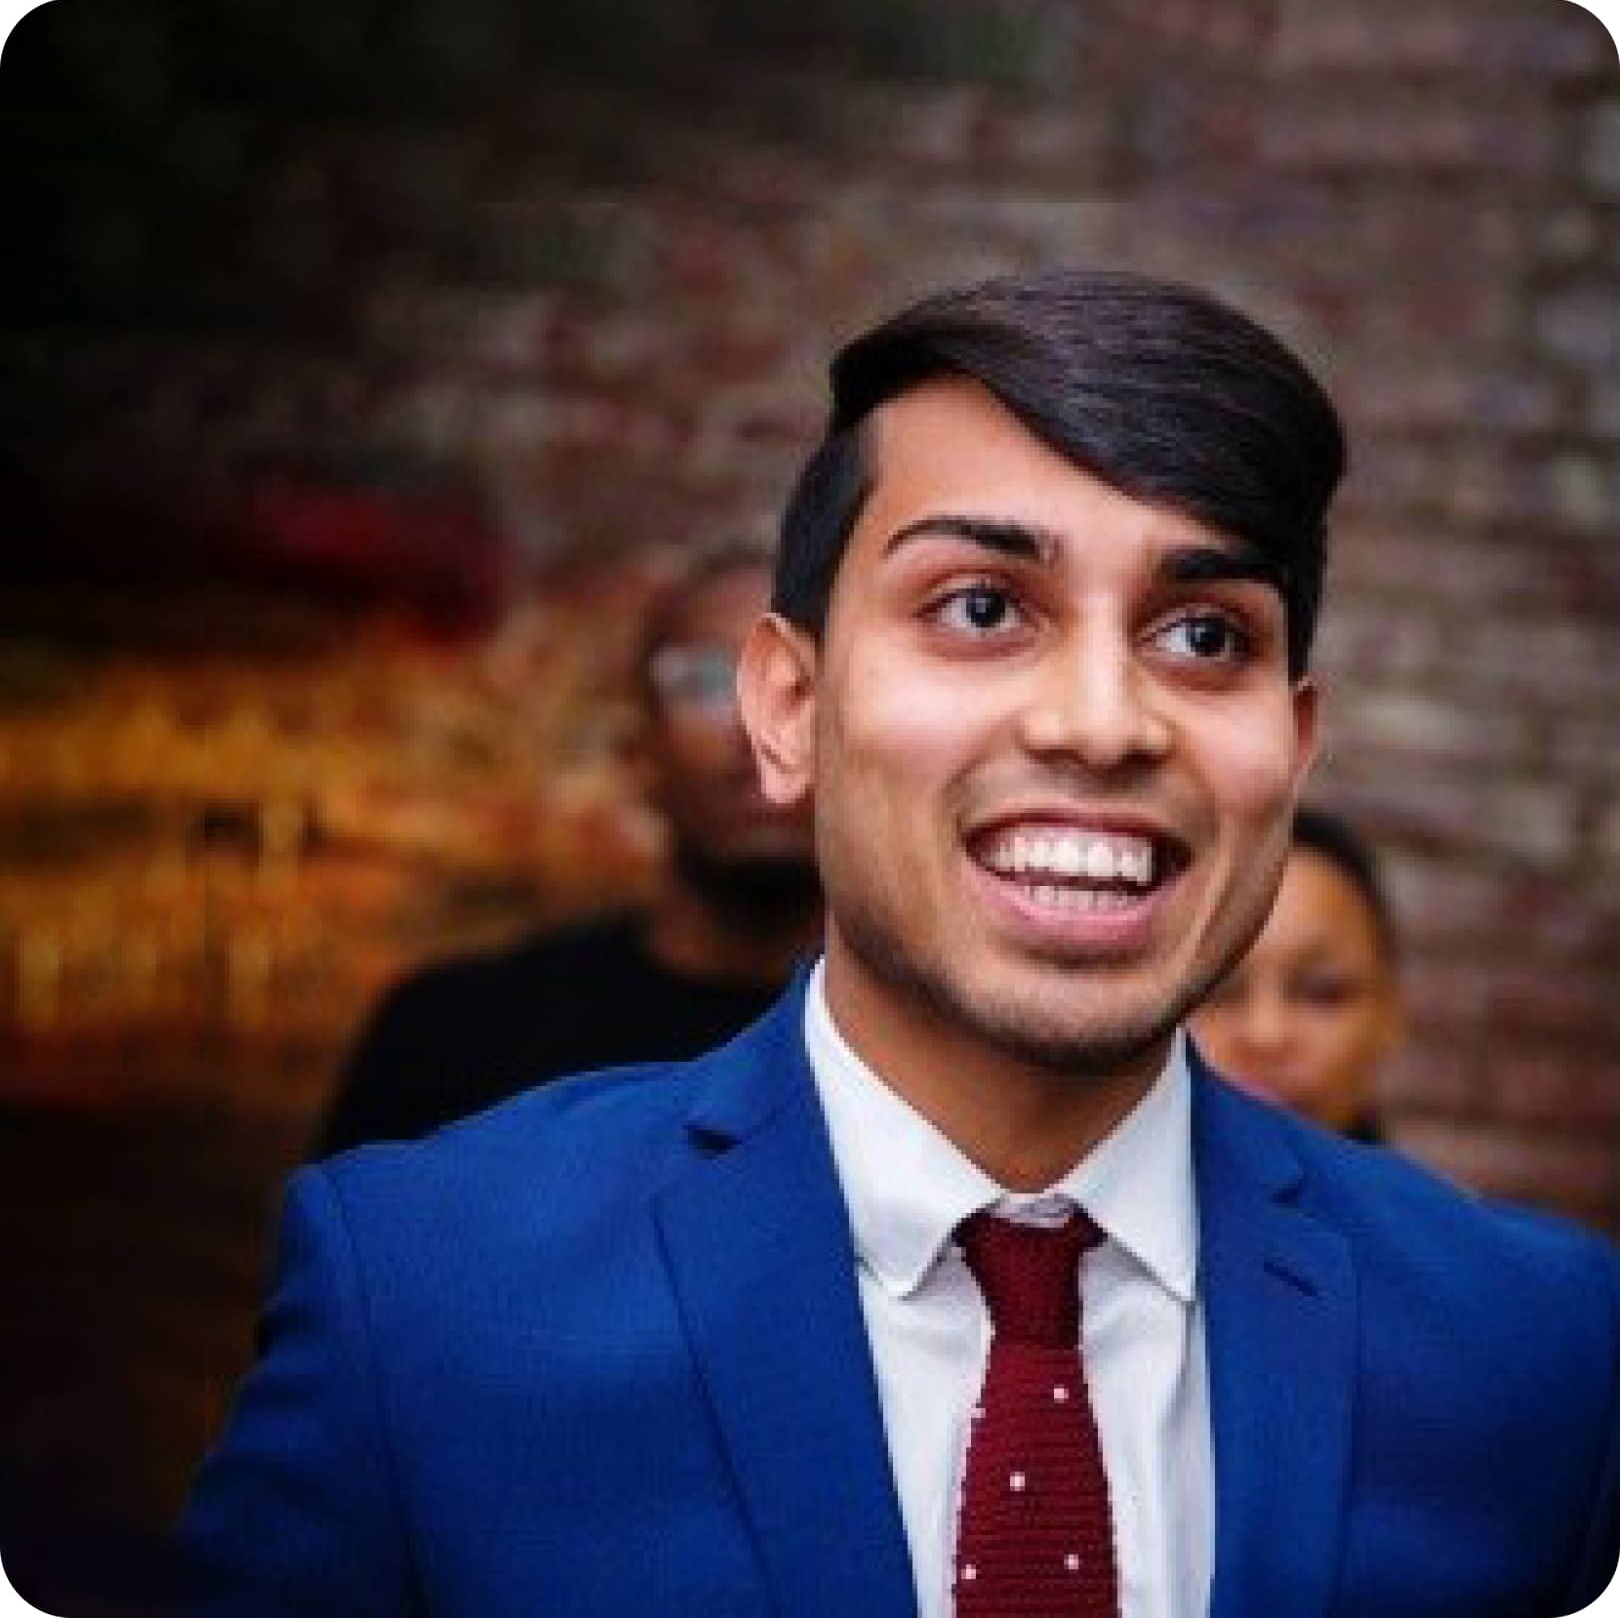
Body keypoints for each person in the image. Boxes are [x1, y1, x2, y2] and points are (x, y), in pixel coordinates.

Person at [179, 269, 1619, 1618]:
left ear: (1292, 749)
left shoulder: (1535, 1356)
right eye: (983, 609)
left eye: (1202, 638)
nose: (1103, 722)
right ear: (789, 708)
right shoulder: (428, 1301)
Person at [313, 543, 822, 1153]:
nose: (756, 727)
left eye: (805, 682)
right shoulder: (453, 1035)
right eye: (708, 680)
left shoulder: (936, 1063)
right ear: (638, 754)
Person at [1190, 805, 1402, 1141]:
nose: (1267, 1034)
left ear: (1390, 1015)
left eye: (1321, 992)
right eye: (1215, 990)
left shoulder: (1432, 1196)